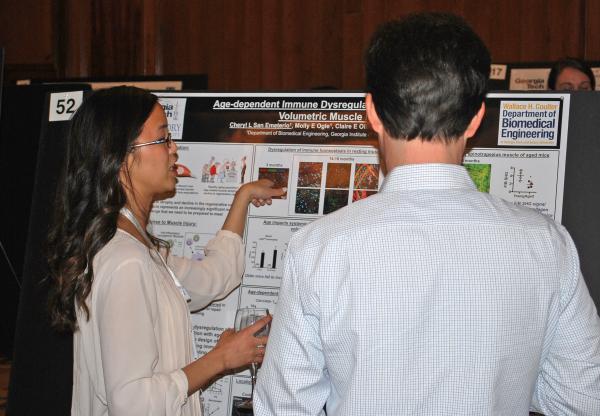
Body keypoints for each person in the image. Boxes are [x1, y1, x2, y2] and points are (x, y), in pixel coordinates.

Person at [255, 13, 600, 416]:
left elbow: (284, 408)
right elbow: (583, 399)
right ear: (475, 119)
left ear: (372, 113)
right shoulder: (546, 243)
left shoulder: (321, 247)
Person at [47, 86, 284, 416]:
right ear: (122, 156)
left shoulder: (138, 247)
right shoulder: (126, 261)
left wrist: (243, 197)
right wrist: (221, 359)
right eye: (163, 140)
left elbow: (210, 279)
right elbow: (132, 402)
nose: (174, 150)